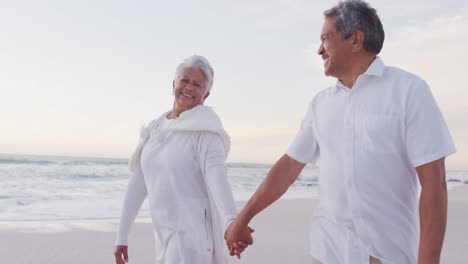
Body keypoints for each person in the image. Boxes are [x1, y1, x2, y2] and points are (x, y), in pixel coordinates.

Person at [225, 0, 456, 263]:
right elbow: (289, 166)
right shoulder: (321, 104)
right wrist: (243, 218)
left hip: (386, 253)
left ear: (356, 40)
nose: (319, 49)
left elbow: (434, 183)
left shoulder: (409, 90)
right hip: (328, 251)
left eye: (325, 38)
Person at [114, 55, 242, 264]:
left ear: (206, 94)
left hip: (193, 239)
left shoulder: (206, 131)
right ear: (174, 83)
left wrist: (231, 220)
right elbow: (139, 182)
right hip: (164, 235)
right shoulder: (156, 127)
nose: (189, 88)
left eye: (197, 84)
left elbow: (217, 177)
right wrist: (122, 235)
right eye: (184, 80)